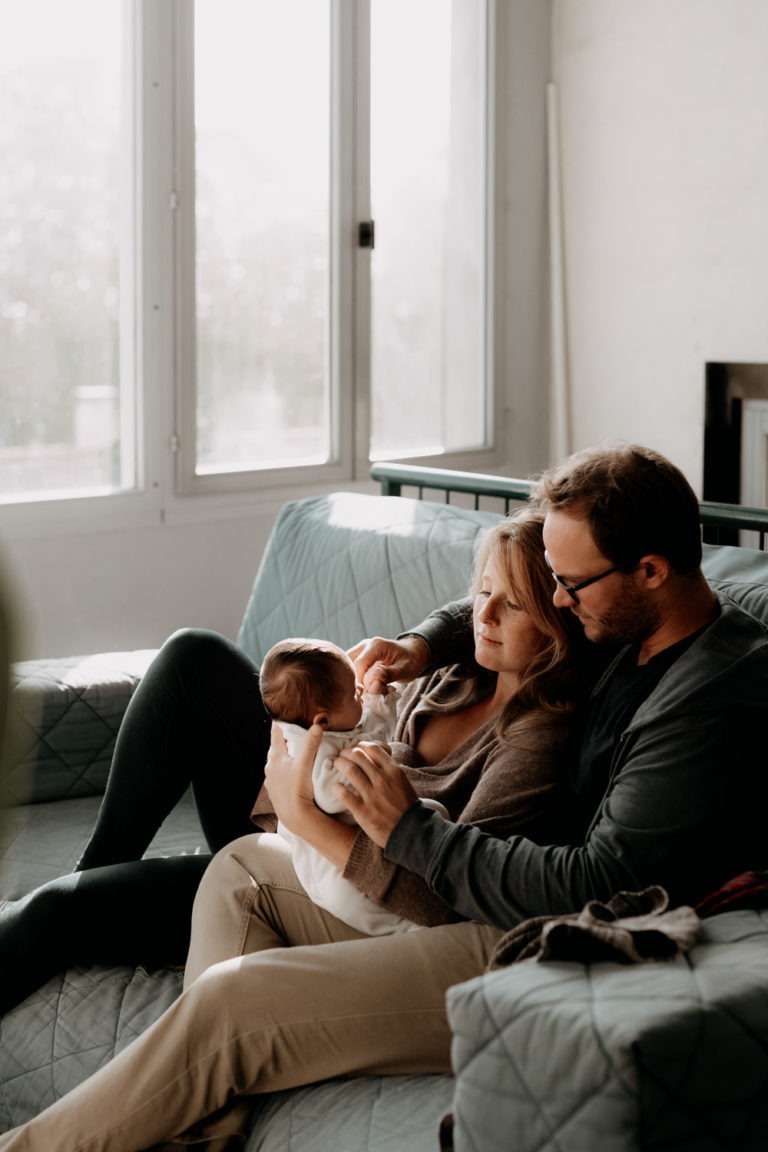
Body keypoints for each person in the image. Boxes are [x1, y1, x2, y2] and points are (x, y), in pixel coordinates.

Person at [2, 441, 765, 1152]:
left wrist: (408, 829)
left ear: (651, 570)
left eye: (571, 585)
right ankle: (199, 1129)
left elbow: (598, 882)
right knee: (239, 871)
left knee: (236, 999)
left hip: (541, 941)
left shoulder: (704, 700)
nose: (561, 601)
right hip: (475, 894)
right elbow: (505, 603)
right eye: (558, 583)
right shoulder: (627, 621)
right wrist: (422, 642)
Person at [0, 505, 584, 1150]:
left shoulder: (536, 741)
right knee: (194, 656)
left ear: (565, 614)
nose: (484, 614)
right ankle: (107, 886)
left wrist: (302, 811)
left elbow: (451, 897)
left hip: (354, 885)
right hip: (295, 840)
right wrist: (378, 683)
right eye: (482, 593)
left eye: (513, 605)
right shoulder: (450, 674)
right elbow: (435, 646)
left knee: (60, 912)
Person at [257, 635, 447, 934]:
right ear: (323, 719)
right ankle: (403, 930)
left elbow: (374, 727)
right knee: (347, 898)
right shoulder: (307, 747)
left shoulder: (329, 723)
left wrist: (377, 701)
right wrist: (368, 763)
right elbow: (330, 796)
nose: (359, 690)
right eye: (353, 694)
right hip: (327, 861)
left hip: (360, 833)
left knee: (434, 811)